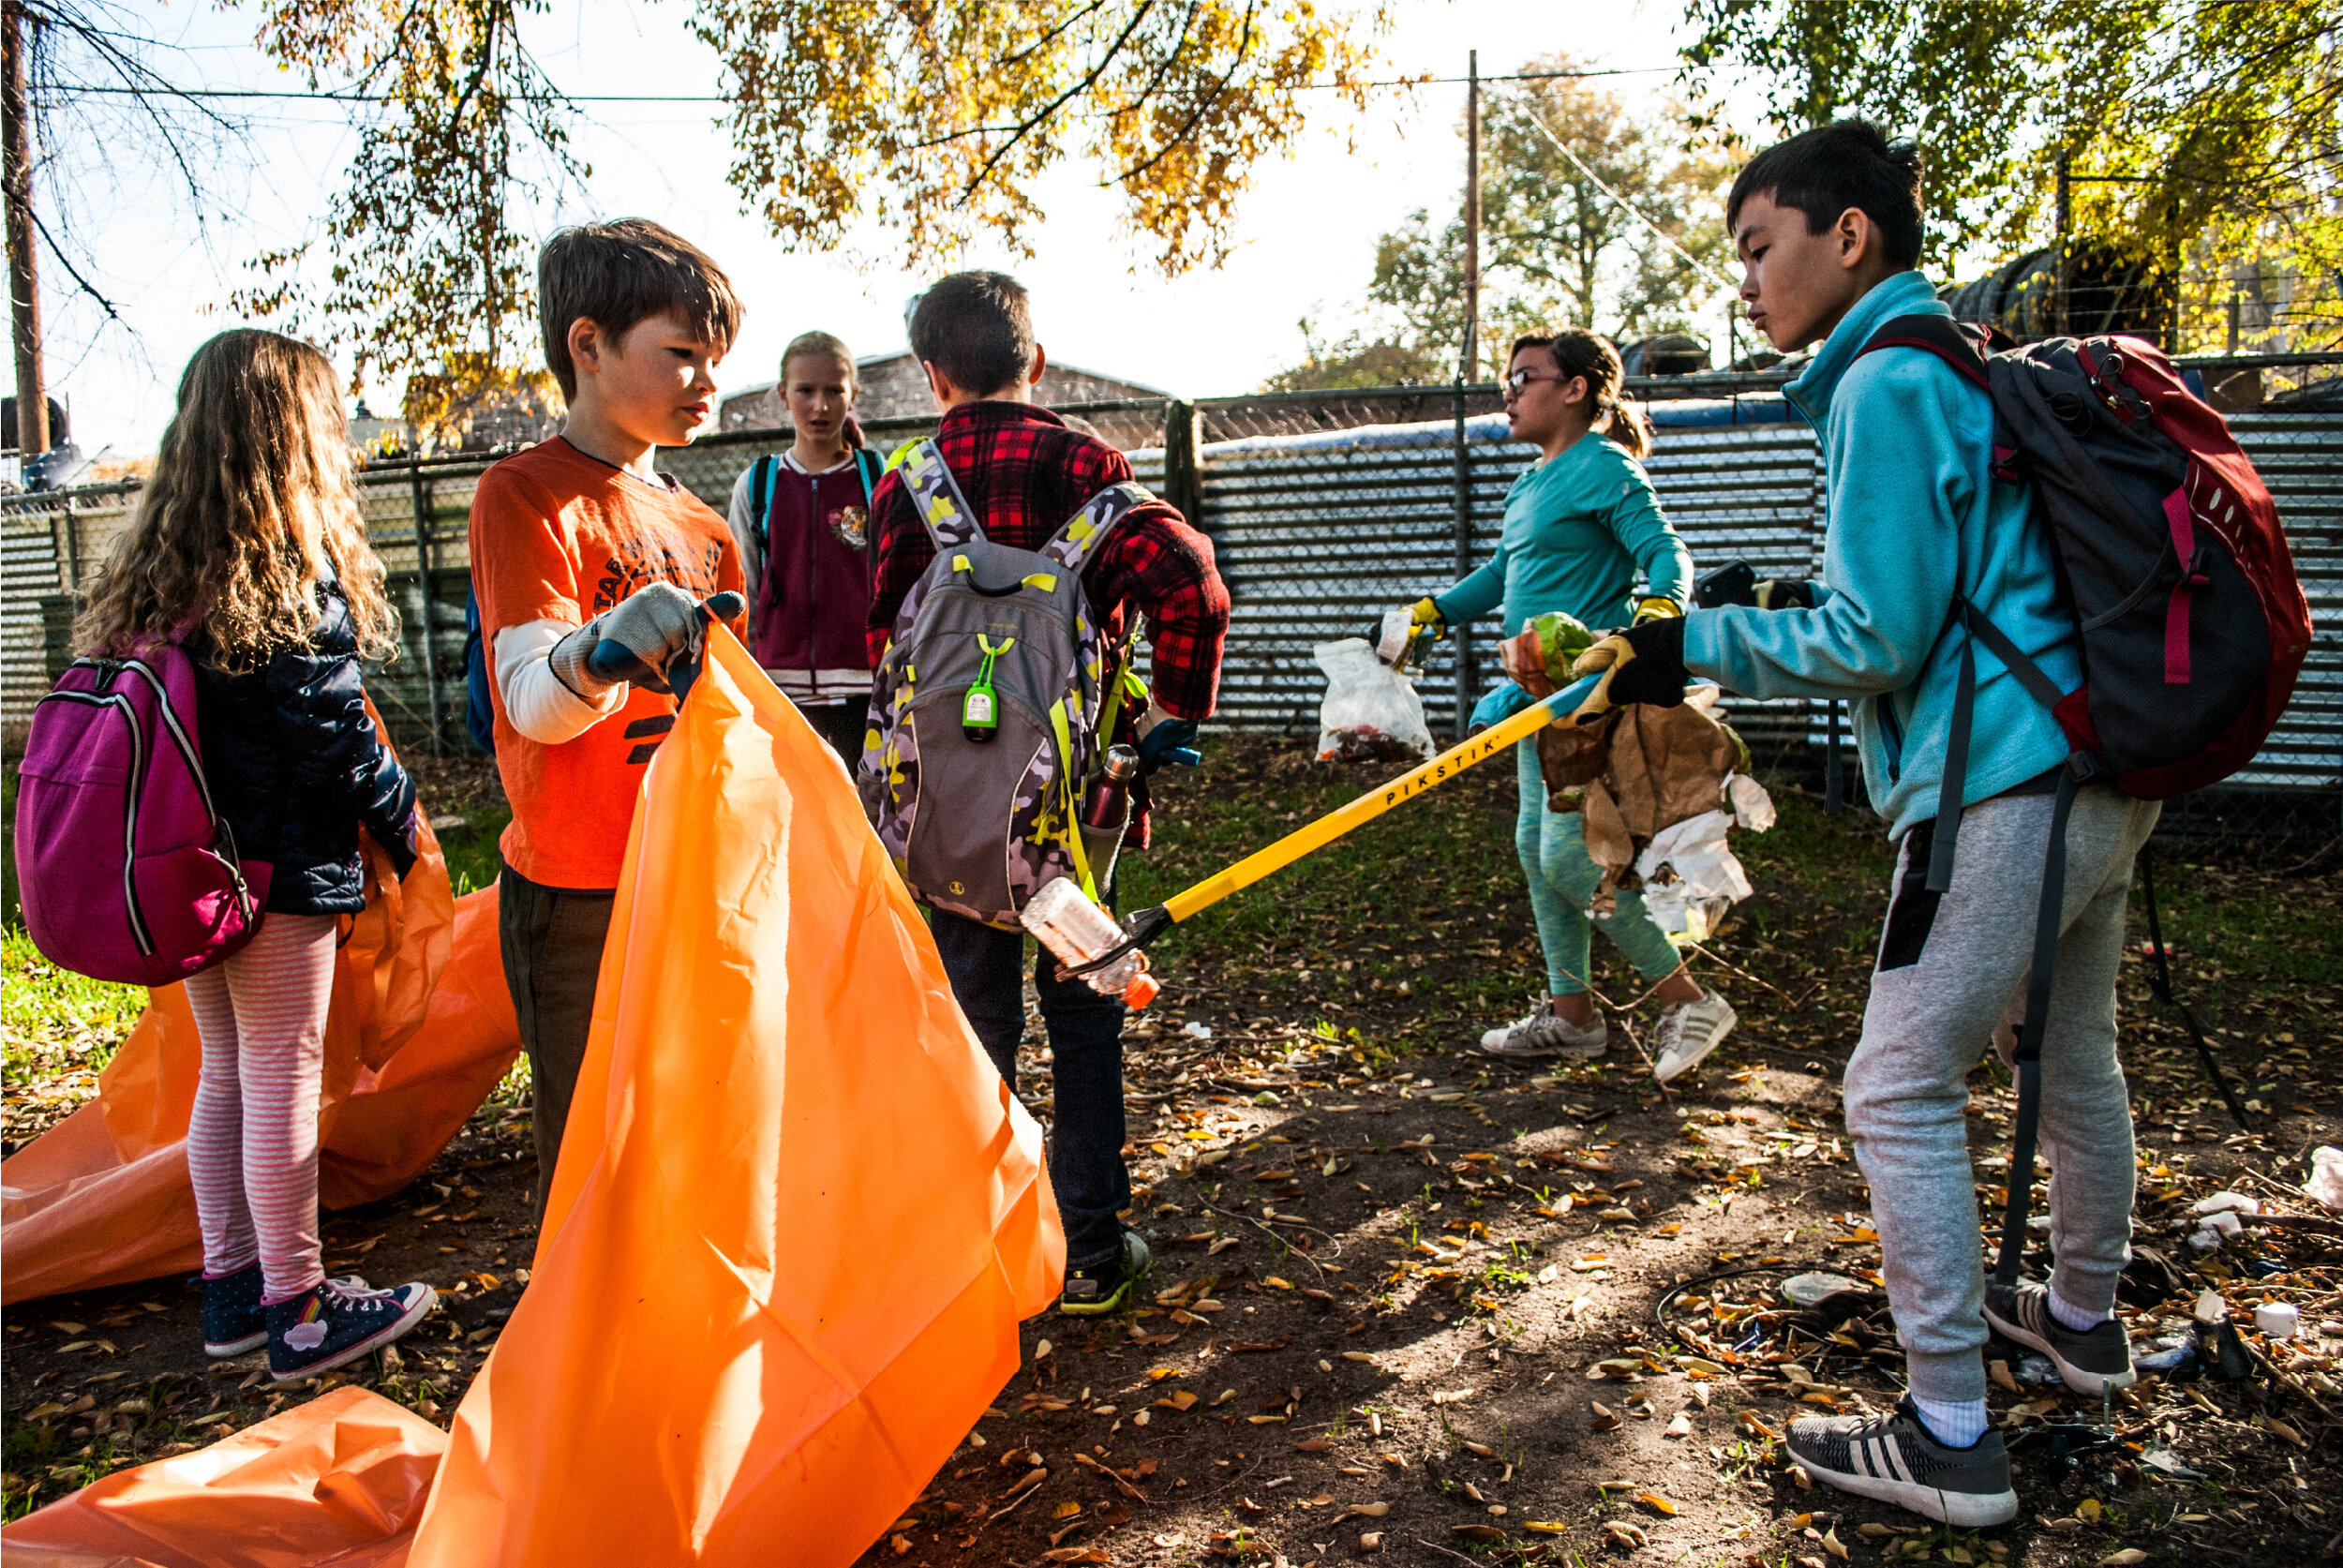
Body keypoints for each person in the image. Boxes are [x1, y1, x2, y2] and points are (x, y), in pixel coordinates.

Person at [1572, 121, 2137, 1528]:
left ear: (1850, 236)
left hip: (1999, 776)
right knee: (2072, 1049)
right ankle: (2079, 1322)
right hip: (2100, 762)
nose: (1746, 284)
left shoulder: (1887, 379)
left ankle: (1950, 1431)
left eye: (1759, 248)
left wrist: (1683, 642)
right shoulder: (1948, 364)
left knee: (1894, 1084)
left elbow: (1880, 635)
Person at [72, 329, 439, 1381]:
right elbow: (333, 731)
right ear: (294, 439)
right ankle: (304, 1304)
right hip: (278, 867)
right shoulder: (282, 578)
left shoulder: (161, 578)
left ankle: (233, 1289)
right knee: (283, 1069)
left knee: (230, 1068)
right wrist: (401, 814)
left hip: (195, 871)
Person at [864, 270, 1231, 1315]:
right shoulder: (1088, 466)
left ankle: (981, 1249)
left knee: (970, 1018)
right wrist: (1171, 715)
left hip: (946, 820)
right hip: (1077, 806)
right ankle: (1092, 1249)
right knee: (1081, 1012)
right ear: (1036, 359)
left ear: (931, 373)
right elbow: (1193, 585)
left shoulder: (906, 483)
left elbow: (880, 632)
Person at [469, 218, 747, 1217]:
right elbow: (533, 708)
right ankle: (579, 1360)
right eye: (679, 353)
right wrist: (595, 651)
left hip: (693, 879)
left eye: (714, 359)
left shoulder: (707, 528)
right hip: (581, 890)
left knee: (698, 1128)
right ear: (587, 345)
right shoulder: (524, 495)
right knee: (595, 1152)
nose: (704, 381)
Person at [1404, 328, 1736, 1081]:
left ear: (1577, 388)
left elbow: (1665, 549)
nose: (1510, 394)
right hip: (1536, 697)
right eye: (1507, 382)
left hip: (1589, 695)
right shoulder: (1531, 482)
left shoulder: (1603, 465)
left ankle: (1687, 997)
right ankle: (1573, 1016)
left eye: (1524, 378)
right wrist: (1432, 611)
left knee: (1564, 855)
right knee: (1534, 848)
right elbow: (1502, 571)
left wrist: (1659, 611)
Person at [725, 331, 886, 762]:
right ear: (783, 394)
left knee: (861, 821)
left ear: (852, 395)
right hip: (780, 687)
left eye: (834, 391)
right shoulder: (758, 485)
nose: (820, 405)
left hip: (864, 687)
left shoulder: (878, 481)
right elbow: (744, 592)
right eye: (806, 391)